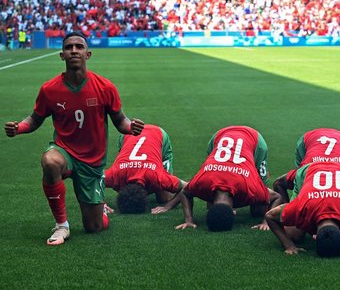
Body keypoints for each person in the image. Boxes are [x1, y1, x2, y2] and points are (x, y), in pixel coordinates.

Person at [4, 32, 144, 245]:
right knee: (50, 161)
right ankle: (62, 226)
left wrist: (130, 127)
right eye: (69, 47)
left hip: (92, 162)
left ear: (88, 54)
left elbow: (120, 120)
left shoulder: (105, 87)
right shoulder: (49, 89)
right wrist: (19, 128)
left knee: (94, 228)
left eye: (79, 47)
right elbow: (35, 119)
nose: (74, 51)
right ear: (62, 55)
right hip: (65, 150)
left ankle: (100, 208)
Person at [156, 125, 281, 231]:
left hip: (254, 140)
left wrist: (266, 220)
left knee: (258, 211)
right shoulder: (202, 183)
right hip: (219, 136)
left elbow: (276, 197)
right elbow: (184, 192)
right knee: (258, 207)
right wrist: (188, 219)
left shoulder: (249, 188)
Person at [265, 162, 340, 256]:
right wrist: (289, 245)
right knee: (295, 235)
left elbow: (270, 215)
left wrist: (289, 247)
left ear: (314, 237)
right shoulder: (302, 207)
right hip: (309, 171)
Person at [272, 128, 340, 206]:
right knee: (301, 188)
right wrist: (287, 211)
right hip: (309, 140)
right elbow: (279, 183)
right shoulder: (304, 173)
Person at [105, 124, 186, 213]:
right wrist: (100, 203)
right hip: (129, 133)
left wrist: (167, 206)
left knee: (165, 198)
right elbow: (91, 180)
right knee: (162, 192)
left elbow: (187, 187)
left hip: (157, 134)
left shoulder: (156, 177)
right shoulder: (115, 174)